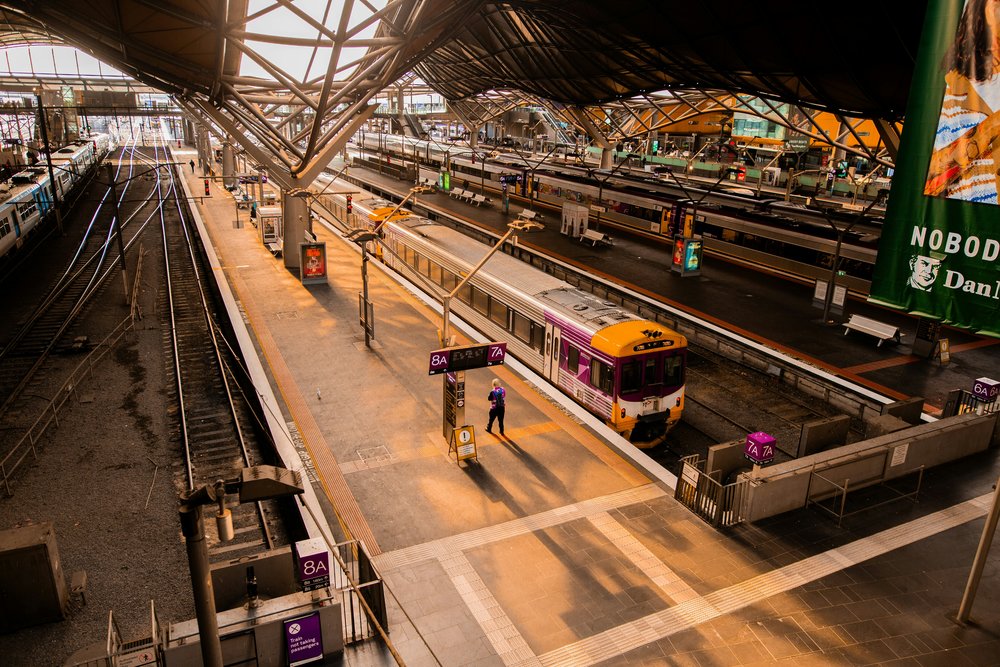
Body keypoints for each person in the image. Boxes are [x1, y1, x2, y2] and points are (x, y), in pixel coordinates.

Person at [925, 0, 1000, 203]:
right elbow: (924, 173)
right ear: (987, 8)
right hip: (964, 216)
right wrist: (991, 127)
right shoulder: (949, 85)